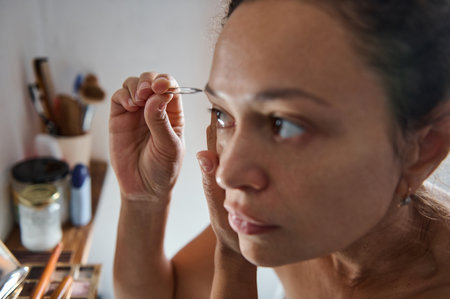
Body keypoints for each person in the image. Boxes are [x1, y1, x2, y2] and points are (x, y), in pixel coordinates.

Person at [110, 0, 450, 298]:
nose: (228, 174)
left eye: (284, 125)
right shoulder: (309, 230)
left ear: (422, 148)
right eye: (222, 113)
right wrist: (144, 199)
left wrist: (234, 260)